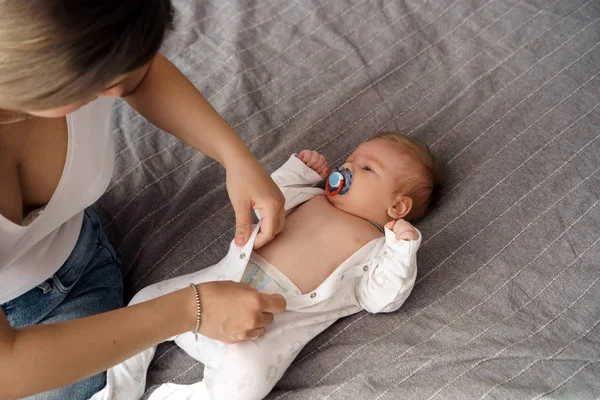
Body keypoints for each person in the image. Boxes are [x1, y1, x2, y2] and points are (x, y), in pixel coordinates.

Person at [0, 1, 288, 399]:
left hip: (81, 265)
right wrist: (190, 310)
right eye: (94, 82)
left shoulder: (92, 38)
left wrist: (234, 157)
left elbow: (140, 76)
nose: (116, 90)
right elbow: (7, 367)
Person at [92, 132, 443, 400]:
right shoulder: (312, 196)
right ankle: (118, 389)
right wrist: (300, 172)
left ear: (398, 208)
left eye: (366, 168)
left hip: (265, 328)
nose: (347, 167)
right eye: (349, 159)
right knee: (146, 301)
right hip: (215, 286)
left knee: (247, 384)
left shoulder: (378, 247)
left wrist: (401, 250)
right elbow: (267, 199)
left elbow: (381, 298)